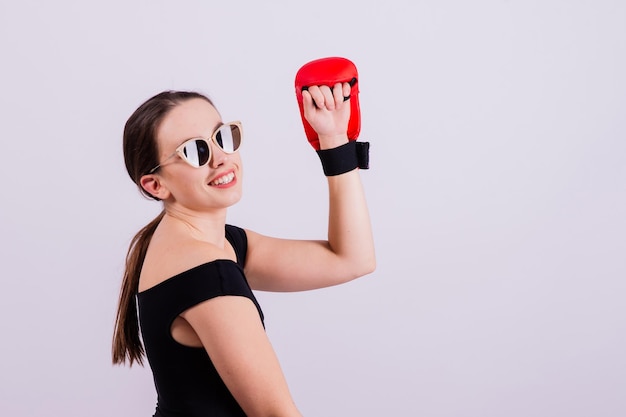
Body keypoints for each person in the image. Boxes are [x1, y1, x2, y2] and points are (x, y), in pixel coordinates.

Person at [112, 82, 375, 416]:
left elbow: (351, 260)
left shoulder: (215, 244)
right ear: (155, 185)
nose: (221, 158)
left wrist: (335, 141)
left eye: (222, 137)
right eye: (195, 151)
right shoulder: (205, 272)